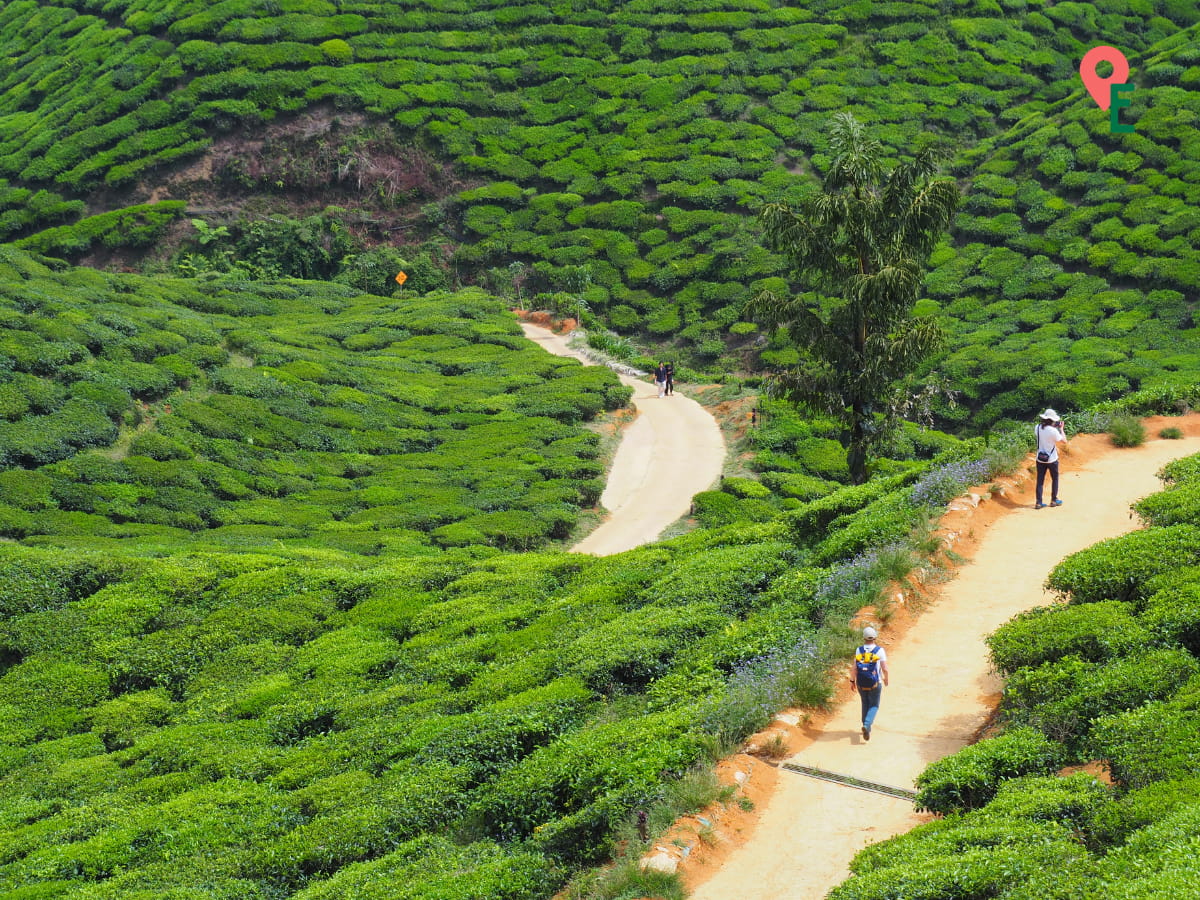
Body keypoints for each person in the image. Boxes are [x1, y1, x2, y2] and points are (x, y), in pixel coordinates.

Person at [850, 625, 888, 741]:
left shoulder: (859, 650)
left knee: (865, 703)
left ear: (864, 638)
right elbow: (885, 668)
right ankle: (866, 725)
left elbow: (854, 668)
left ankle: (866, 727)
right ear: (874, 637)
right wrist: (886, 678)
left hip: (861, 683)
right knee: (874, 705)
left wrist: (852, 681)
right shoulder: (880, 650)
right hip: (875, 683)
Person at [1034, 408, 1068, 510]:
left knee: (1040, 481)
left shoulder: (1037, 427)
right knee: (1055, 478)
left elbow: (1043, 434)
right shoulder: (1053, 431)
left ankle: (1038, 502)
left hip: (1040, 459)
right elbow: (1064, 441)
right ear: (1052, 420)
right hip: (1052, 459)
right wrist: (1061, 429)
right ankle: (1054, 500)